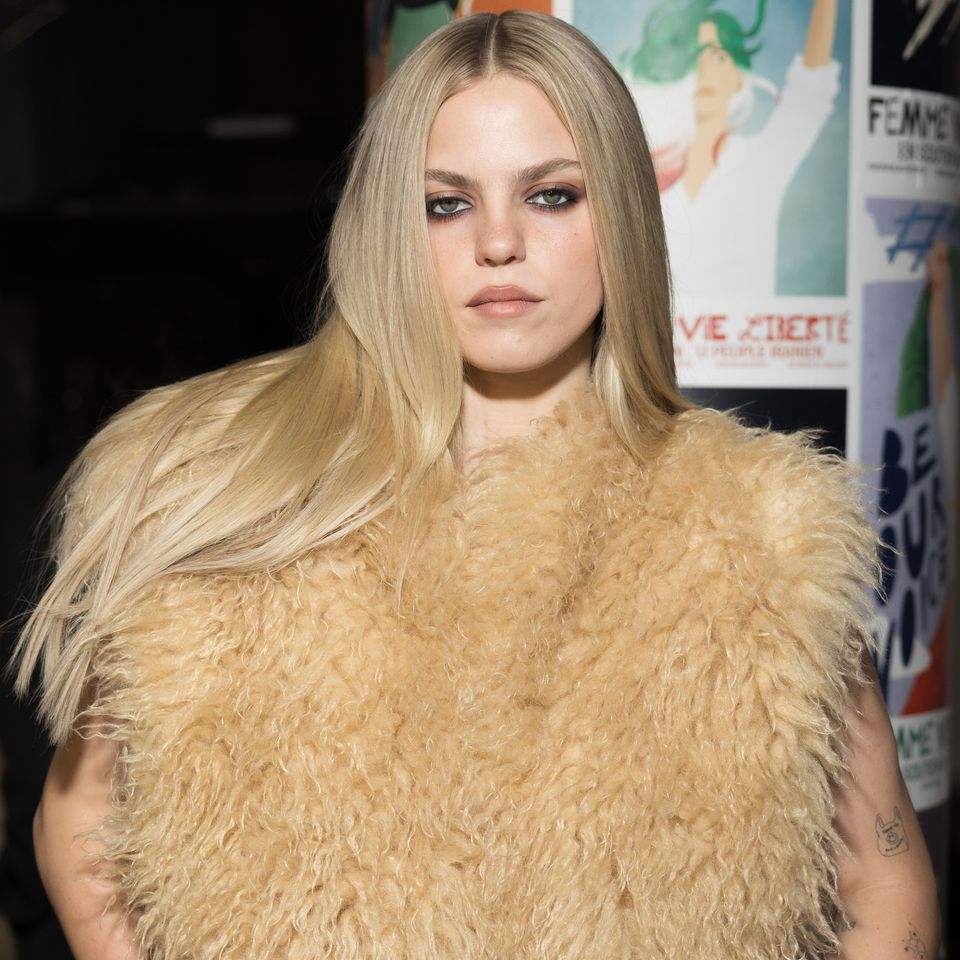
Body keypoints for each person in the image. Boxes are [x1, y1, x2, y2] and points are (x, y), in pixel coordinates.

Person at [11, 11, 939, 960]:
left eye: (552, 195)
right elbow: (79, 822)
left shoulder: (759, 528)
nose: (500, 241)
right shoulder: (219, 481)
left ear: (621, 211)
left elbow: (884, 874)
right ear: (389, 228)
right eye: (446, 204)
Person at [627, 0, 841, 297]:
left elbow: (810, 93)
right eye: (694, 59)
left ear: (738, 77)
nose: (704, 71)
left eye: (717, 58)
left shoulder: (762, 161)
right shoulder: (647, 176)